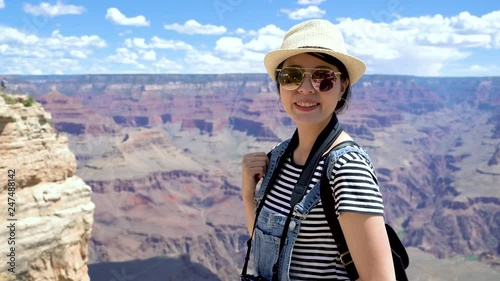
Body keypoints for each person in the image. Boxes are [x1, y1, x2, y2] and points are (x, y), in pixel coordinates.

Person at [241, 19, 395, 280]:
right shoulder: (278, 157)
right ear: (279, 85)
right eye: (292, 76)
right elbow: (267, 252)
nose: (305, 88)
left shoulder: (347, 168)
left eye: (323, 77)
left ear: (343, 85)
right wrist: (248, 195)